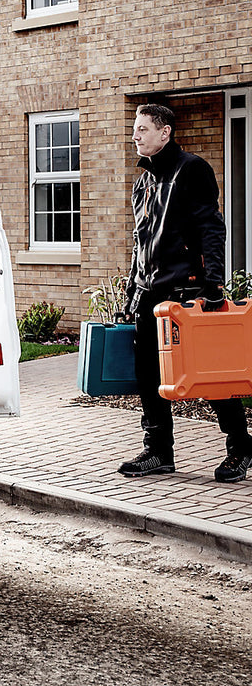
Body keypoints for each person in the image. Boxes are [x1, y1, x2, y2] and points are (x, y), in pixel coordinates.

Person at [119, 103, 252, 482]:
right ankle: (158, 450)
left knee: (208, 373)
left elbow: (212, 229)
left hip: (186, 290)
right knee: (148, 373)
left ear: (165, 133)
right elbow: (139, 241)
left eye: (143, 129)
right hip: (149, 292)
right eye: (135, 129)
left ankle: (241, 447)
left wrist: (213, 285)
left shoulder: (191, 169)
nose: (135, 135)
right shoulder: (143, 180)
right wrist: (133, 290)